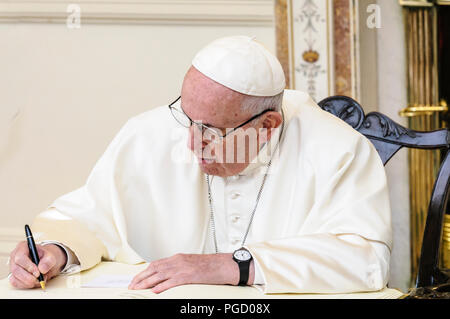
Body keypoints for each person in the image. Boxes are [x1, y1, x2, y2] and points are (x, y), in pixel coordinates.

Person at [8, 35, 392, 294]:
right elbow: (94, 213)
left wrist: (236, 266)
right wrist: (57, 250)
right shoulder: (153, 132)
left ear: (267, 125)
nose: (191, 143)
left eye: (210, 129)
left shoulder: (336, 150)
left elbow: (366, 259)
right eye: (187, 117)